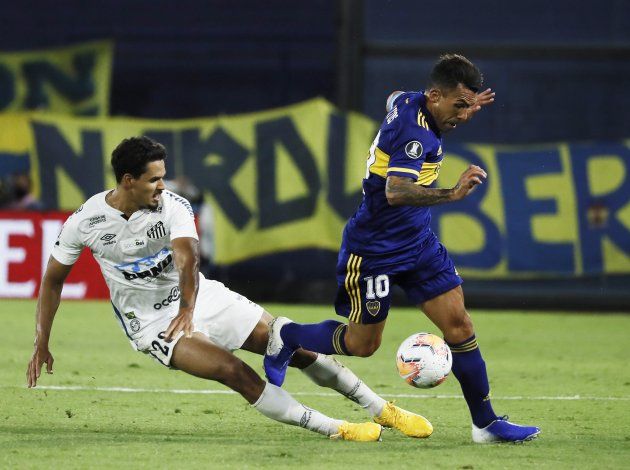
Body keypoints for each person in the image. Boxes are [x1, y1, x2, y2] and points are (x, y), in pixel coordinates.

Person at [26, 136, 434, 443]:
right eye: (154, 179)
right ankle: (337, 429)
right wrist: (42, 340)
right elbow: (52, 279)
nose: (163, 186)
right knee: (234, 371)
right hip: (152, 323)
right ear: (128, 181)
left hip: (201, 297)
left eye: (163, 177)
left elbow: (188, 259)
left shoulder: (172, 206)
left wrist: (188, 308)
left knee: (295, 349)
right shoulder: (85, 221)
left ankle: (381, 409)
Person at [264, 54, 540, 443]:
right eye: (459, 105)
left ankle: (486, 424)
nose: (464, 116)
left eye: (468, 106)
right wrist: (452, 193)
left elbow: (393, 97)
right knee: (362, 345)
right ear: (435, 96)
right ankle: (289, 335)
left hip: (418, 243)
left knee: (460, 326)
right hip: (374, 249)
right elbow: (395, 192)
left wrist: (461, 102)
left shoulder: (411, 100)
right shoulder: (416, 136)